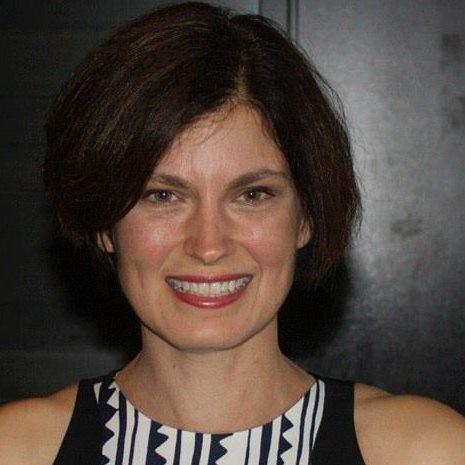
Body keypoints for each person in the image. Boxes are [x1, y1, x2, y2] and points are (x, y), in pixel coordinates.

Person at [1, 2, 464, 464]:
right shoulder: (17, 449)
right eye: (163, 195)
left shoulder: (424, 451)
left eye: (252, 195)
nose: (208, 245)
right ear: (106, 223)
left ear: (305, 217)